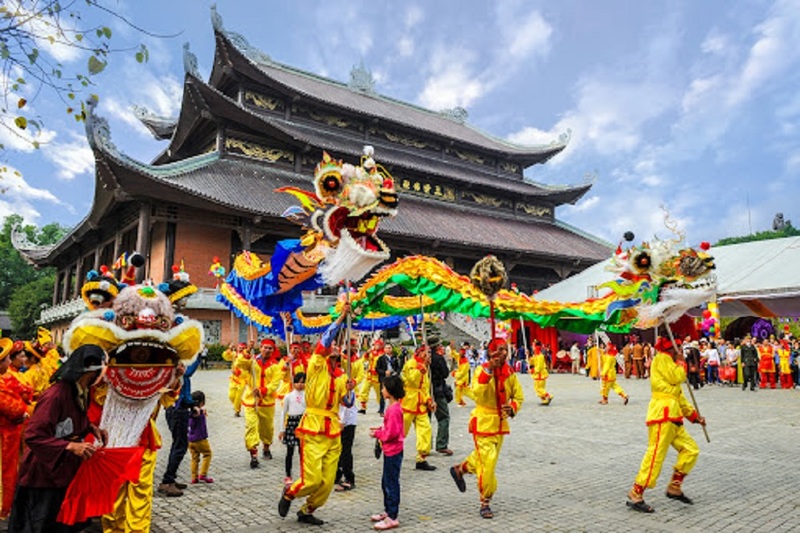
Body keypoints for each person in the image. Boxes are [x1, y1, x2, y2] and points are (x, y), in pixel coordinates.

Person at [8, 344, 107, 533]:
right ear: (91, 373)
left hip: (63, 472)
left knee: (62, 525)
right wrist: (70, 445)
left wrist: (91, 427)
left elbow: (72, 418)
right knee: (42, 526)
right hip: (43, 475)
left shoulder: (80, 390)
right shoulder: (56, 395)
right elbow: (33, 435)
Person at [278, 305, 356, 526]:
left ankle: (307, 510)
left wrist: (350, 390)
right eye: (329, 347)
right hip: (313, 424)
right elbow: (326, 339)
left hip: (333, 428)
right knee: (312, 479)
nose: (333, 348)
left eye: (335, 348)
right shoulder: (316, 365)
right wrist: (341, 317)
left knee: (328, 481)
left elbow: (347, 403)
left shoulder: (342, 375)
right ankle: (290, 493)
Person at [626, 337, 706, 513]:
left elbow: (679, 395)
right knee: (656, 455)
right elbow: (677, 376)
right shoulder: (662, 358)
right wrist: (681, 362)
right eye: (678, 347)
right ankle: (636, 492)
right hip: (662, 415)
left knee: (690, 449)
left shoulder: (669, 362)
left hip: (674, 416)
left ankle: (674, 487)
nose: (680, 351)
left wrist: (694, 417)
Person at [449, 339, 523, 519]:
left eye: (506, 349)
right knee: (488, 464)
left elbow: (518, 396)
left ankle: (460, 469)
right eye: (500, 350)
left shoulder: (510, 372)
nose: (504, 353)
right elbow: (477, 394)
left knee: (483, 459)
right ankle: (485, 500)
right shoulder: (482, 370)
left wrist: (512, 407)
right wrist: (490, 370)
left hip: (500, 423)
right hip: (483, 422)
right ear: (491, 353)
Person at [0, 339, 34, 519]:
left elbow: (26, 390)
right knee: (5, 471)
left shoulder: (7, 378)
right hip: (5, 434)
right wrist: (23, 410)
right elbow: (14, 409)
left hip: (11, 434)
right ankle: (4, 509)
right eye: (6, 358)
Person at [158, 356, 201, 497]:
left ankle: (171, 478)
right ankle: (167, 481)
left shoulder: (180, 369)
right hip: (176, 410)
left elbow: (186, 388)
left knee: (179, 445)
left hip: (180, 409)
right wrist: (199, 355)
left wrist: (192, 405)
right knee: (180, 446)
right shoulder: (176, 369)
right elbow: (187, 374)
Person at [369, 374, 406, 531]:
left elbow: (392, 433)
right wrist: (379, 429)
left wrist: (377, 434)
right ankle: (388, 510)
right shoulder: (393, 408)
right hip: (390, 450)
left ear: (389, 390)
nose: (382, 390)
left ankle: (392, 516)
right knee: (386, 482)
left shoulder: (394, 410)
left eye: (383, 388)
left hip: (393, 451)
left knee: (391, 483)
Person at [243, 338, 283, 468]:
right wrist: (248, 350)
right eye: (265, 347)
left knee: (267, 428)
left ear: (273, 350)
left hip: (266, 402)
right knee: (251, 426)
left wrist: (262, 390)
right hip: (251, 401)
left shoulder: (276, 366)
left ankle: (266, 447)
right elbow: (240, 364)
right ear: (260, 348)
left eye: (270, 348)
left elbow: (275, 383)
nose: (267, 350)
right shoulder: (252, 361)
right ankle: (253, 453)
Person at [400, 344, 437, 471]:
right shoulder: (411, 363)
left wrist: (429, 400)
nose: (428, 356)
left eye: (429, 353)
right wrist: (420, 368)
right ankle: (382, 442)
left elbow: (424, 387)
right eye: (426, 353)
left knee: (425, 430)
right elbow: (411, 380)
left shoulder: (425, 367)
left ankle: (421, 458)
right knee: (401, 430)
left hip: (420, 403)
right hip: (409, 401)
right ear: (420, 352)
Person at [335, 354, 359, 491]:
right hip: (335, 419)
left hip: (346, 421)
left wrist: (342, 421)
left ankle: (349, 478)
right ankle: (337, 475)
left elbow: (346, 403)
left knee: (345, 450)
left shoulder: (343, 378)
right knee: (336, 450)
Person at [280, 372, 307, 486]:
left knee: (303, 451)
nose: (300, 385)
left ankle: (304, 474)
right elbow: (283, 413)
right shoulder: (288, 396)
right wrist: (282, 429)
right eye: (297, 382)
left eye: (302, 382)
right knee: (290, 451)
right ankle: (288, 474)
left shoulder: (307, 395)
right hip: (291, 423)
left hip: (303, 423)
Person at [429, 338, 453, 456]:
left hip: (425, 391)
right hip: (437, 391)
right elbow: (445, 373)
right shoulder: (438, 358)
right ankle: (441, 444)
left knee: (425, 420)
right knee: (443, 418)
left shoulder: (424, 358)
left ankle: (425, 445)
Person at [188, 390, 214, 484]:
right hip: (201, 439)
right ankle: (203, 473)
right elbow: (200, 412)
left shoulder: (190, 413)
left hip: (190, 440)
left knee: (194, 458)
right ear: (202, 402)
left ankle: (194, 477)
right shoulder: (200, 413)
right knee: (207, 454)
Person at [359, 338, 384, 414]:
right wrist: (367, 353)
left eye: (378, 345)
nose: (376, 346)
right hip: (369, 375)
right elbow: (364, 359)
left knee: (379, 394)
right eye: (375, 345)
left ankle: (381, 408)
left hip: (377, 377)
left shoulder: (382, 355)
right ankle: (363, 408)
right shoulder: (371, 353)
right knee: (363, 391)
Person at [228, 343, 251, 416]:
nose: (241, 349)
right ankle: (237, 405)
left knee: (238, 396)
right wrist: (230, 348)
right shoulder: (234, 354)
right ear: (237, 348)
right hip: (234, 379)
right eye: (240, 348)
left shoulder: (247, 357)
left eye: (243, 348)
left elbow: (244, 363)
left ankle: (237, 410)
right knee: (231, 396)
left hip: (242, 381)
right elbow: (226, 356)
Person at [528, 341, 553, 405]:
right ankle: (544, 400)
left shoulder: (540, 356)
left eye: (533, 346)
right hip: (539, 374)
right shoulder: (535, 355)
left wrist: (533, 370)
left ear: (537, 347)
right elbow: (532, 362)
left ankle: (548, 396)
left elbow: (539, 367)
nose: (532, 347)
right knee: (539, 388)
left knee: (538, 388)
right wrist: (528, 356)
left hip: (540, 374)